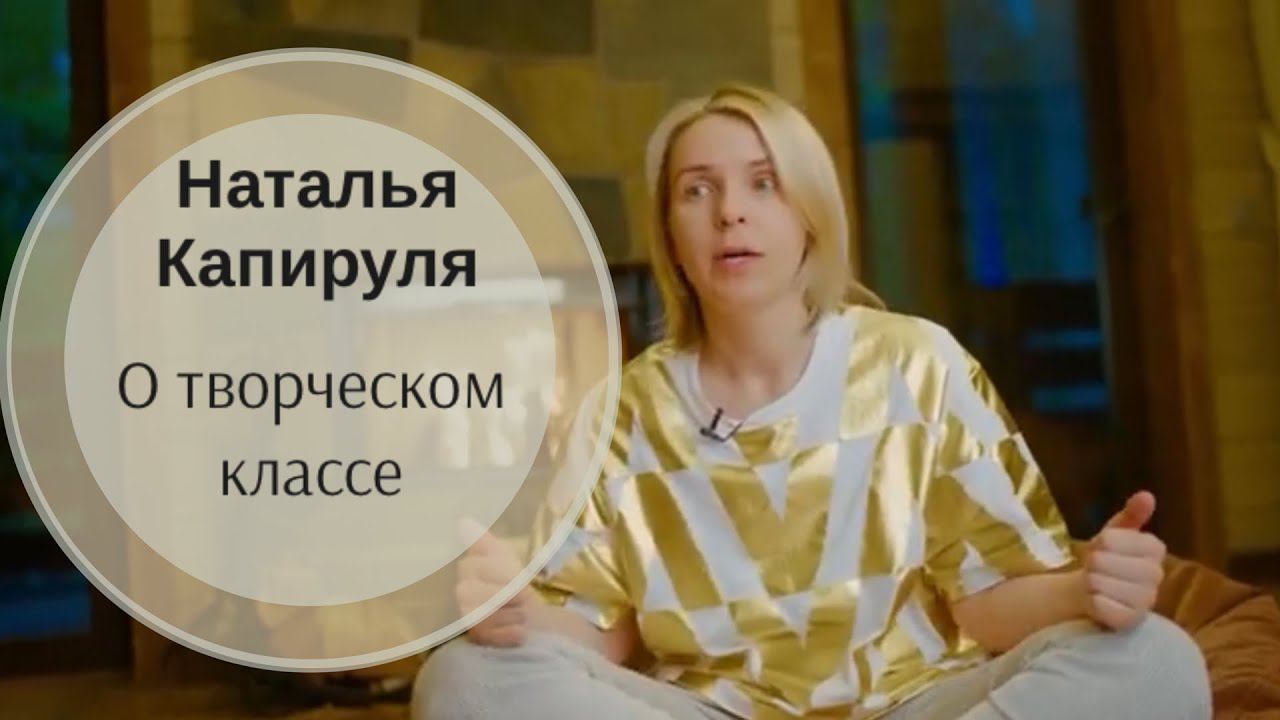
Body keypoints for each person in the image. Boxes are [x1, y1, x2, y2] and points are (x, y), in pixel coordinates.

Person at [413, 84, 1211, 720]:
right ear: (671, 234)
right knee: (462, 680)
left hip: (914, 702)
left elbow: (987, 603)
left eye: (763, 183)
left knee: (1156, 660)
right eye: (697, 190)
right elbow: (603, 635)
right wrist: (514, 615)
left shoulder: (919, 363)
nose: (730, 211)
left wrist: (1086, 588)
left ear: (810, 215)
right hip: (709, 710)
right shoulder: (620, 411)